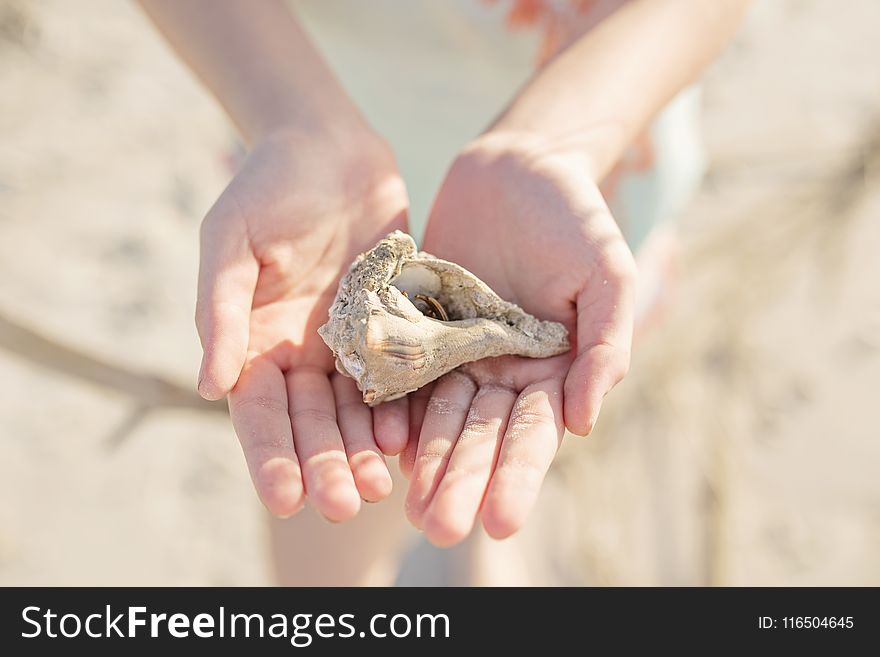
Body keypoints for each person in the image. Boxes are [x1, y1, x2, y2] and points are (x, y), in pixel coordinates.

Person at [139, 0, 751, 585]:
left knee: (508, 419)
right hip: (322, 179)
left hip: (575, 183)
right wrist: (296, 122)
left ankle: (477, 546)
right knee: (335, 507)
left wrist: (552, 143)